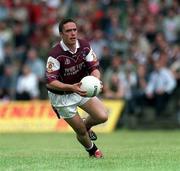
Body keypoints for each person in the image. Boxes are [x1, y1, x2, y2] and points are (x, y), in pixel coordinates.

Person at [45, 18, 108, 158]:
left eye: (74, 30)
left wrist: (96, 80)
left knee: (102, 116)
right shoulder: (55, 55)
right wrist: (71, 87)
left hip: (81, 89)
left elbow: (94, 68)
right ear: (61, 34)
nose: (73, 33)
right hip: (62, 96)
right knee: (80, 131)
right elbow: (50, 82)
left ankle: (87, 126)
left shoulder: (85, 46)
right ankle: (93, 151)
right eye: (68, 31)